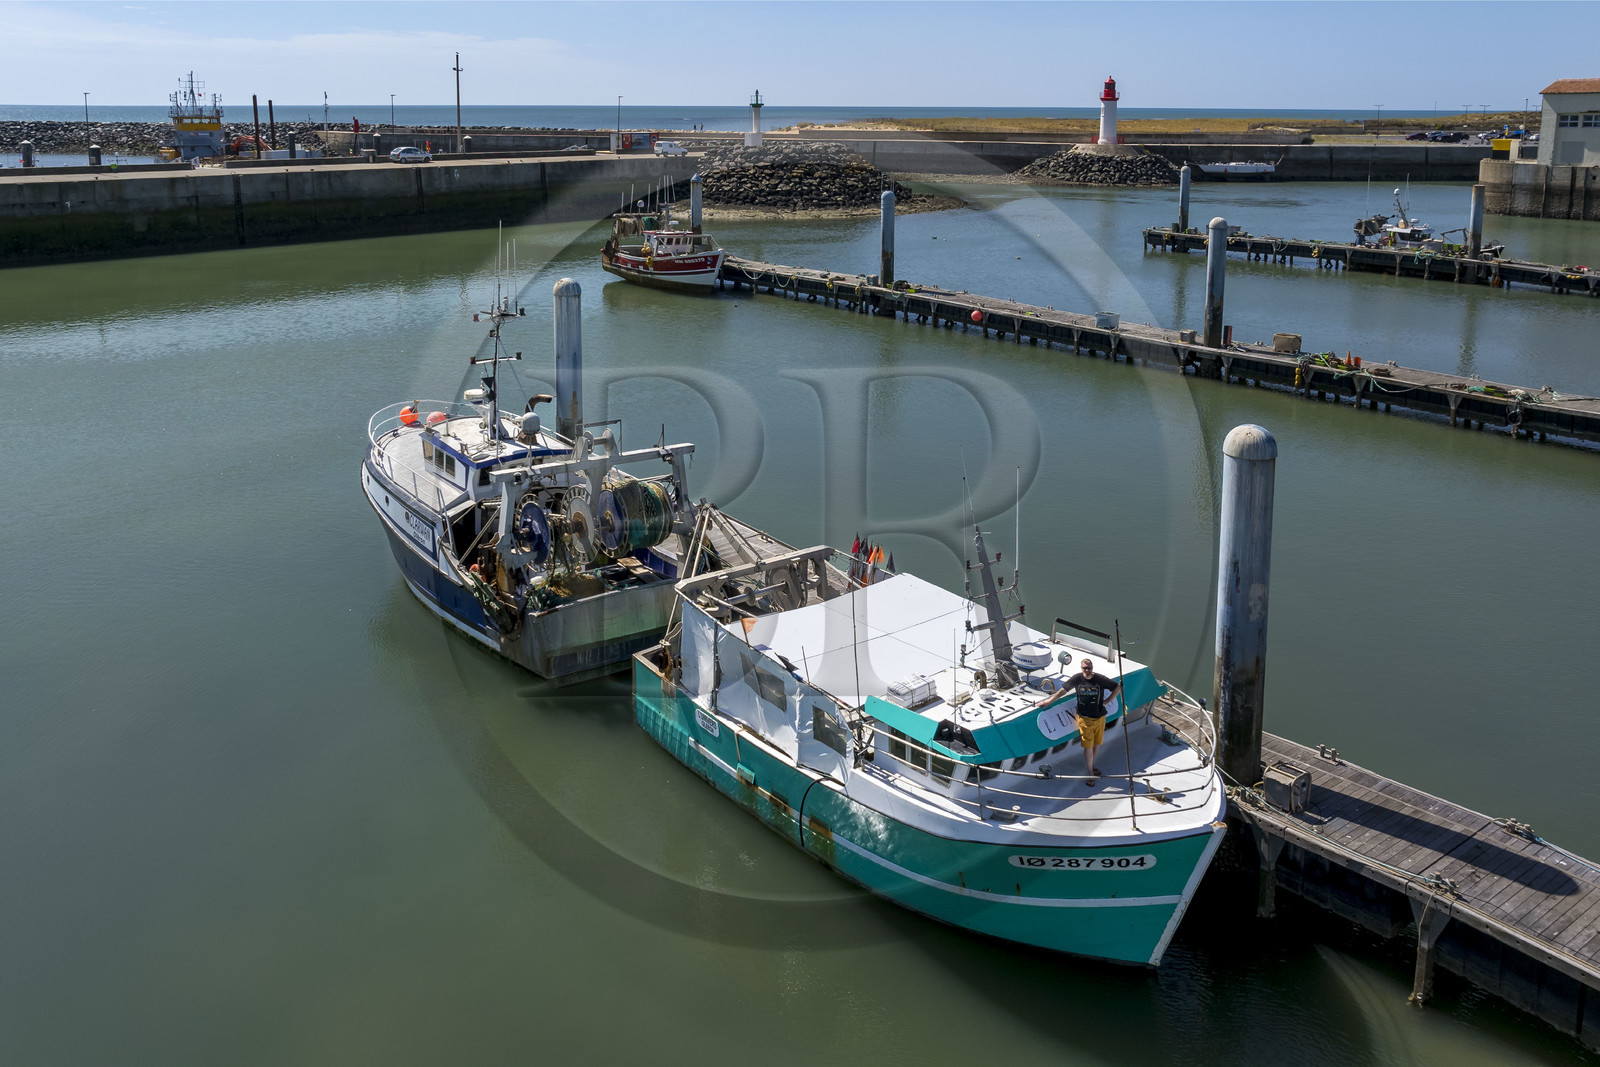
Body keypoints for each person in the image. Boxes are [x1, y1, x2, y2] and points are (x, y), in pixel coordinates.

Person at [1069, 657, 1119, 785]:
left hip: (1100, 717)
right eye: (1084, 668)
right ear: (1081, 668)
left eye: (1089, 668)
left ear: (1092, 668)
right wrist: (1048, 701)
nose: (1087, 670)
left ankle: (1091, 766)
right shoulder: (1077, 678)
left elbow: (1117, 687)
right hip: (1085, 719)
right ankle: (1090, 772)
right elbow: (1063, 690)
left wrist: (1108, 701)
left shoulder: (1099, 679)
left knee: (1097, 743)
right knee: (1088, 746)